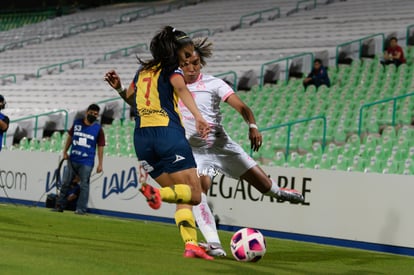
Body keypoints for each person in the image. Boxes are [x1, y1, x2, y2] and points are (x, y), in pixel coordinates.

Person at [178, 38, 305, 257]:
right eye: (186, 63)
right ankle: (214, 244)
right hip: (197, 153)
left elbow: (243, 107)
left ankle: (280, 192)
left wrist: (253, 126)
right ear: (179, 65)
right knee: (197, 193)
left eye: (196, 63)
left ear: (201, 63)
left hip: (223, 147)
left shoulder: (214, 84)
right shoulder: (174, 88)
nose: (191, 68)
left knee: (266, 187)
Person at [104, 26, 213, 260]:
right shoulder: (172, 69)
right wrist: (199, 116)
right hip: (167, 136)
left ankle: (191, 244)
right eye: (185, 52)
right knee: (195, 194)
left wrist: (119, 88)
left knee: (182, 195)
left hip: (142, 141)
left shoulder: (143, 70)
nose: (187, 57)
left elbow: (132, 100)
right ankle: (156, 192)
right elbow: (181, 88)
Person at [54, 104, 105, 215]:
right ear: (87, 112)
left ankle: (81, 209)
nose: (93, 115)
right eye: (91, 113)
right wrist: (65, 151)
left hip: (87, 161)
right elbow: (70, 137)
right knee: (65, 183)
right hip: (73, 159)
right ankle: (59, 206)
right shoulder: (77, 123)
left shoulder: (98, 129)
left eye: (96, 114)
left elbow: (101, 146)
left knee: (84, 186)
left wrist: (100, 163)